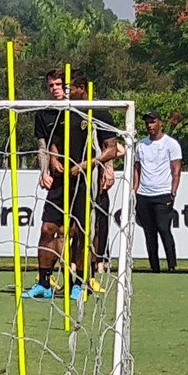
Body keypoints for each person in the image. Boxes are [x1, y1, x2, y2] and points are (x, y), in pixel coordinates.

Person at [23, 69, 119, 301]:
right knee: (48, 228)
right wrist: (54, 160)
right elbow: (52, 143)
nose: (63, 91)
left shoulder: (99, 113)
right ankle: (44, 282)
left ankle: (79, 283)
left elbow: (111, 149)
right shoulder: (60, 113)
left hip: (86, 181)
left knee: (81, 233)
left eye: (68, 88)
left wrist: (88, 165)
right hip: (60, 181)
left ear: (81, 89)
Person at [133, 110, 183, 273]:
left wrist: (173, 192)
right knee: (149, 232)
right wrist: (134, 192)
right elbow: (137, 170)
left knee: (163, 229)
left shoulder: (171, 144)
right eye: (147, 122)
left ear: (161, 123)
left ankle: (172, 265)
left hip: (162, 194)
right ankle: (154, 267)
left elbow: (176, 170)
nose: (149, 125)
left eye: (153, 121)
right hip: (144, 194)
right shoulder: (141, 144)